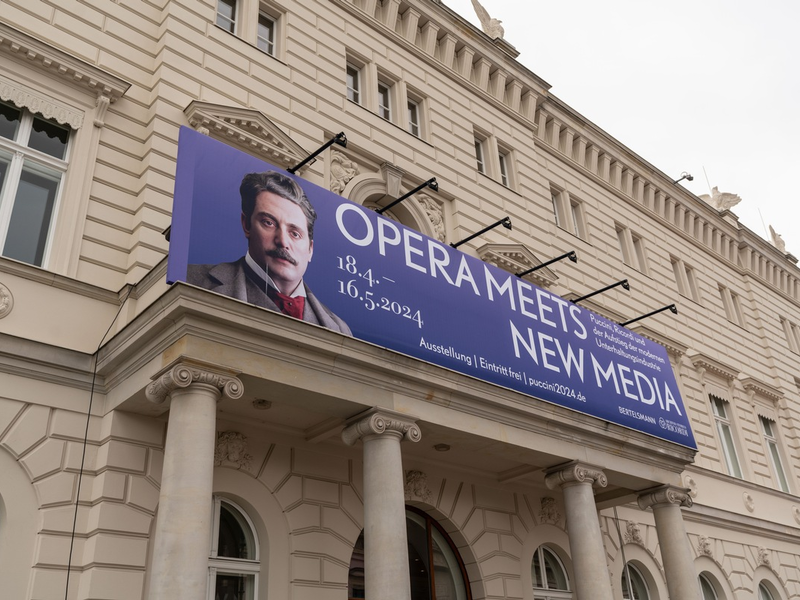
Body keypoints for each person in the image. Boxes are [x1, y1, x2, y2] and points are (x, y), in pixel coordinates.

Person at [187, 171, 352, 335]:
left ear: (310, 250)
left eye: (295, 233)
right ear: (246, 224)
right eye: (269, 223)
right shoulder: (191, 279)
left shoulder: (340, 328)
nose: (283, 241)